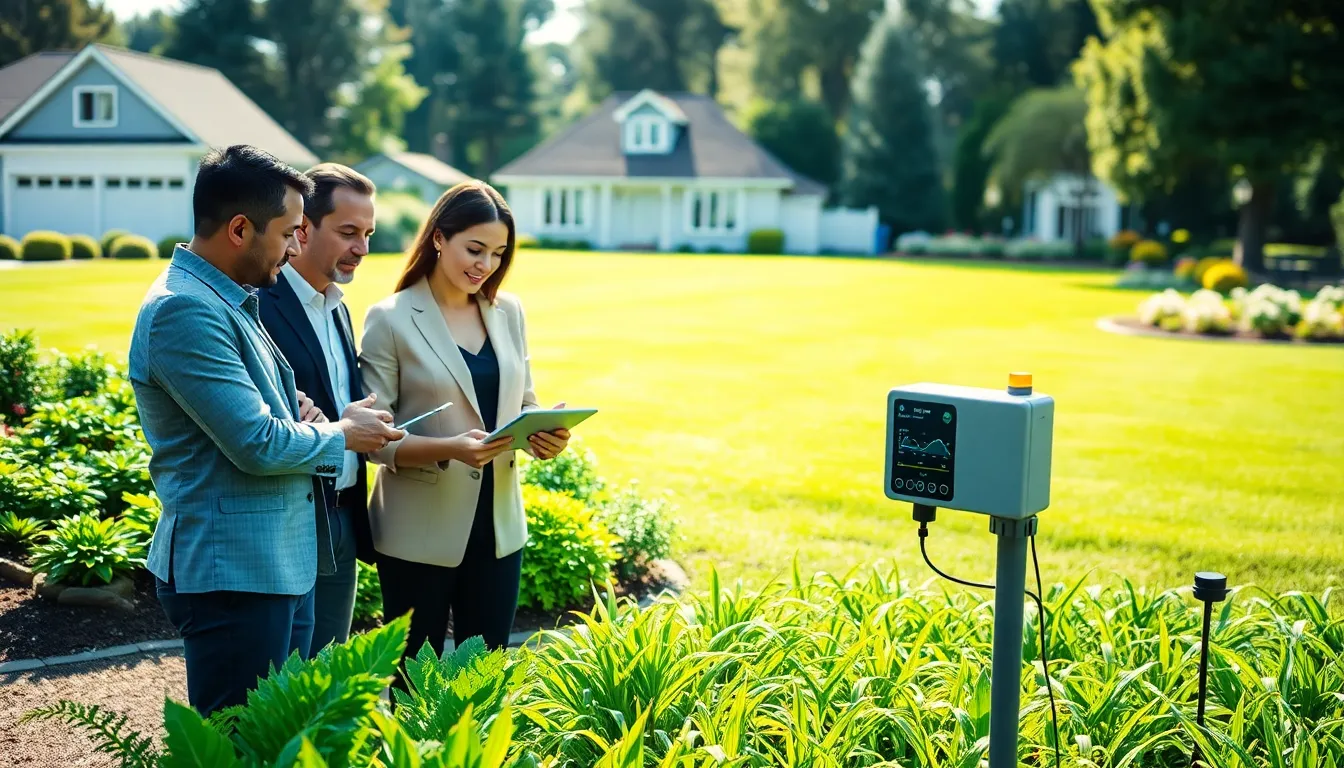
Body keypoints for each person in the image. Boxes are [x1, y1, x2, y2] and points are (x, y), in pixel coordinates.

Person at [128, 144, 405, 717]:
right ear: (238, 228)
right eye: (286, 232)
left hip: (278, 562)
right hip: (234, 574)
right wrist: (342, 433)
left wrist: (299, 417)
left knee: (282, 738)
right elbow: (257, 443)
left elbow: (275, 416)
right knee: (239, 745)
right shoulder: (185, 310)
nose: (293, 247)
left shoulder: (227, 299)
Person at [358, 181, 569, 674]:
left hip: (498, 530)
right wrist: (449, 448)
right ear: (438, 238)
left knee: (485, 677)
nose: (485, 265)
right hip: (417, 532)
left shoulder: (508, 311)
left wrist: (546, 436)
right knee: (416, 680)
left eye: (498, 253)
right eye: (474, 249)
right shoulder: (390, 319)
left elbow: (524, 402)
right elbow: (373, 441)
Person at [259, 163, 379, 657]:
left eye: (368, 234)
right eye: (349, 232)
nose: (363, 248)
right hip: (289, 520)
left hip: (343, 516)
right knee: (281, 684)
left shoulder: (340, 306)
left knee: (328, 676)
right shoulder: (260, 304)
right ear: (302, 228)